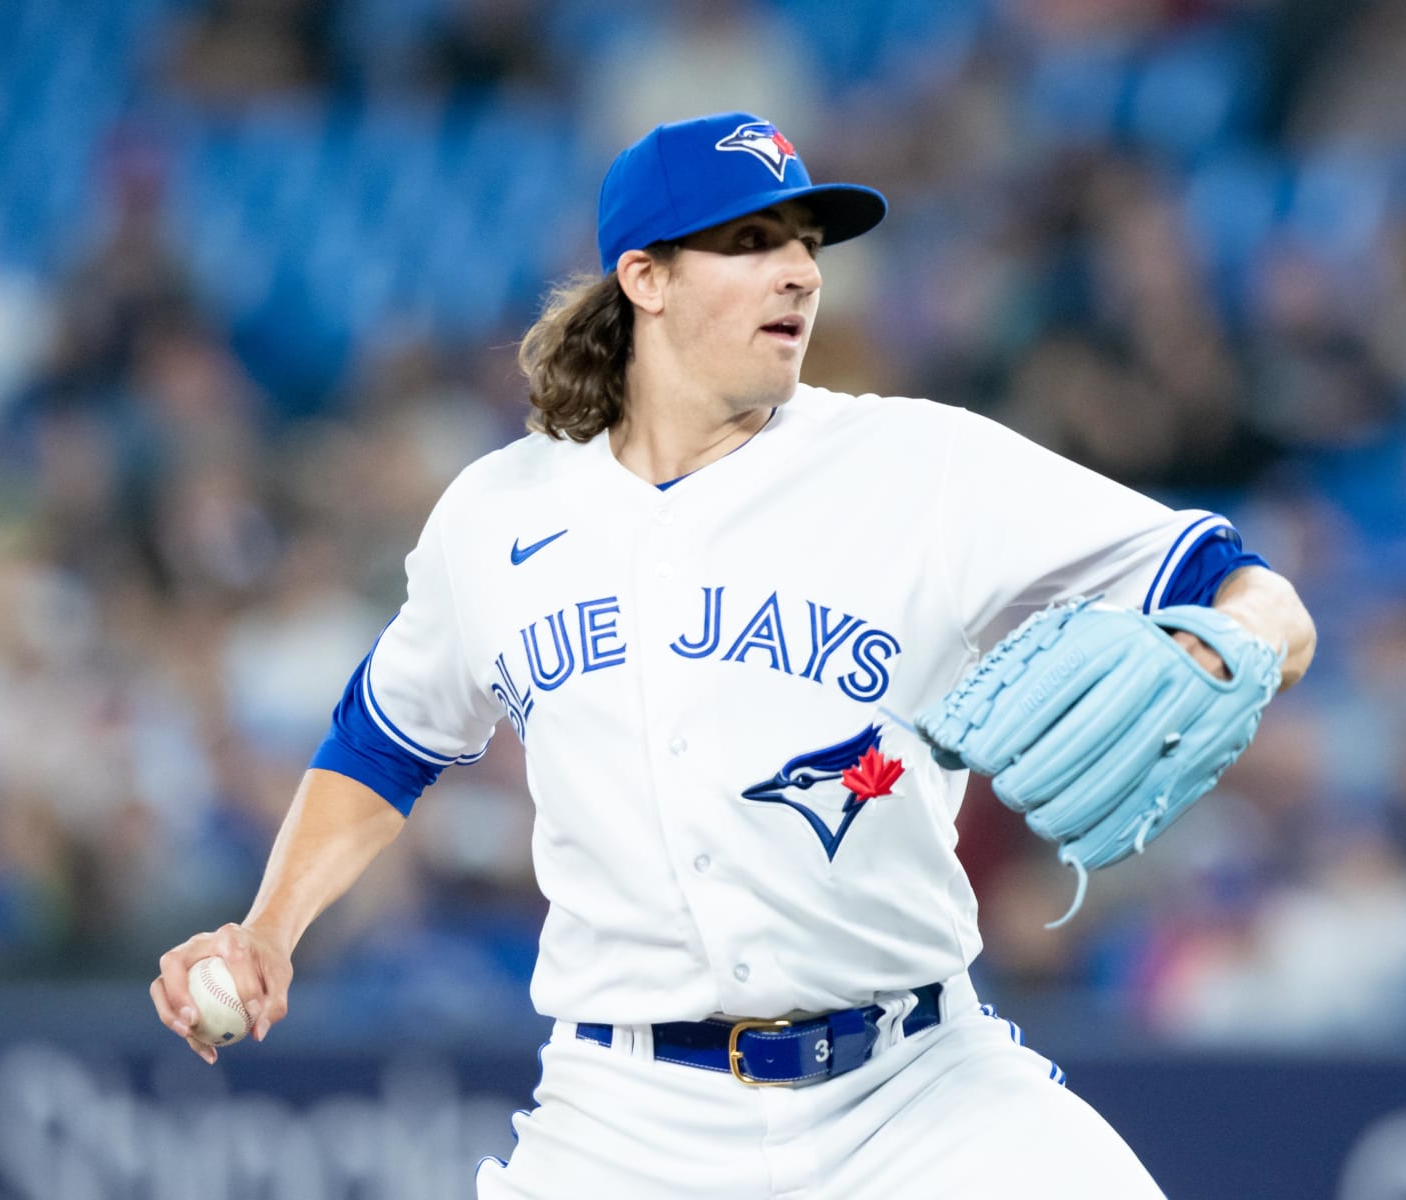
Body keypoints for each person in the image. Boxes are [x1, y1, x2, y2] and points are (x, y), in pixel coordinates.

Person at [151, 111, 1317, 1197]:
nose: (800, 270)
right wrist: (265, 931)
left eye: (806, 242)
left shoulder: (919, 464)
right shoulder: (496, 516)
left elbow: (1239, 582)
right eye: (750, 242)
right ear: (643, 278)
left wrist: (1247, 637)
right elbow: (383, 743)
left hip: (915, 1090)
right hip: (624, 1116)